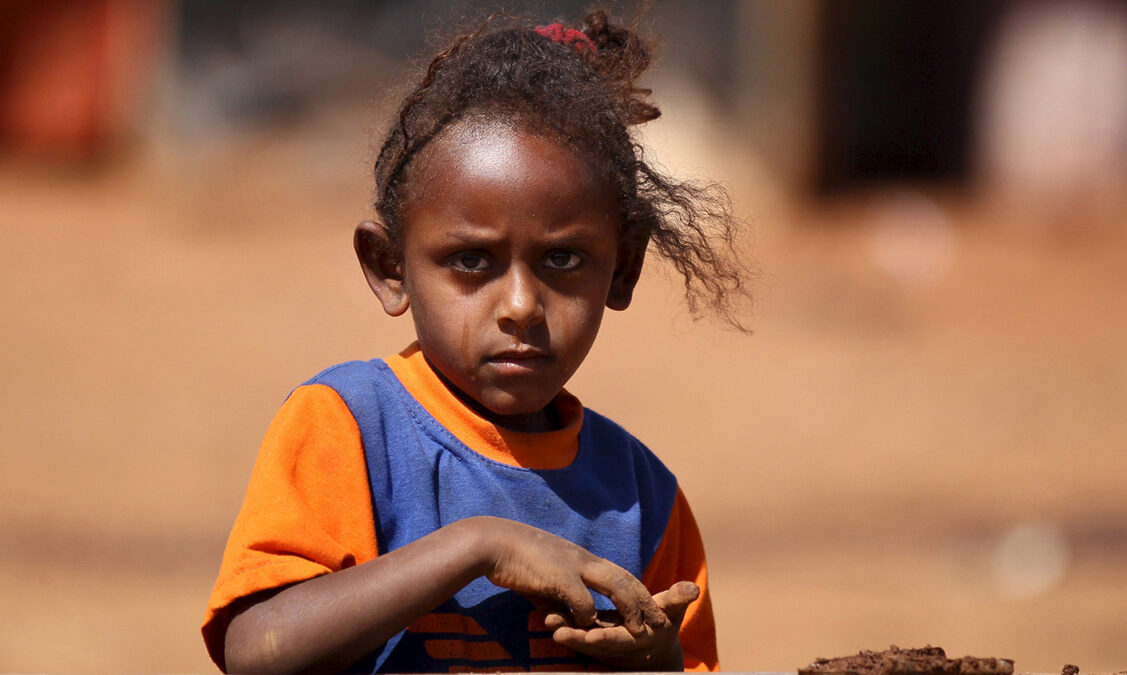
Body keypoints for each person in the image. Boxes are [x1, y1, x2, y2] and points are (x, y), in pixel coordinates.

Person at [201, 9, 748, 674]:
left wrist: (655, 656)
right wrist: (476, 546)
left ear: (623, 268)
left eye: (565, 260)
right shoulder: (348, 427)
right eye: (471, 261)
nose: (521, 306)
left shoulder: (641, 496)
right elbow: (256, 652)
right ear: (390, 268)